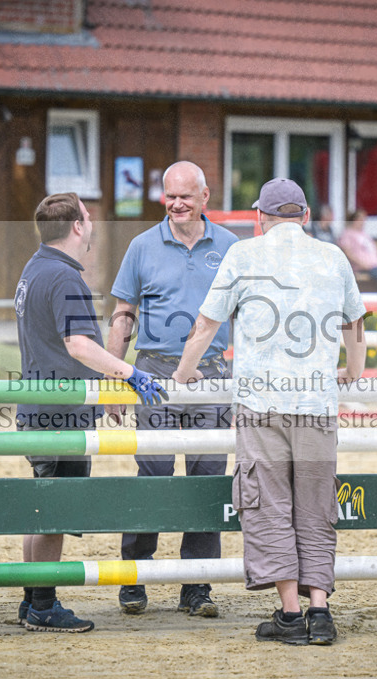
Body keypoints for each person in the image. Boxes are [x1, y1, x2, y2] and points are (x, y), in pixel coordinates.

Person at [173, 178, 367, 646]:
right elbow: (355, 324)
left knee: (269, 505)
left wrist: (183, 372)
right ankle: (320, 612)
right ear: (304, 216)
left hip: (262, 406)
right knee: (317, 507)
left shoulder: (243, 255)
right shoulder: (333, 257)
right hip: (317, 405)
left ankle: (289, 613)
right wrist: (352, 374)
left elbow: (206, 323)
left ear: (261, 217)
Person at [14, 192, 168, 633]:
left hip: (39, 405)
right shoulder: (65, 278)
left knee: (43, 507)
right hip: (60, 413)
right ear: (77, 227)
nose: (92, 223)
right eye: (88, 216)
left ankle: (32, 600)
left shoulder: (34, 267)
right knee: (56, 512)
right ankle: (43, 605)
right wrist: (129, 373)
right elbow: (79, 344)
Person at [107, 160, 239, 617]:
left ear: (206, 196)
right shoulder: (142, 246)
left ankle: (197, 588)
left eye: (186, 195)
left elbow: (250, 319)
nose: (177, 203)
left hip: (212, 377)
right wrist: (112, 380)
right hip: (152, 376)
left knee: (206, 482)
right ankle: (134, 578)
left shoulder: (231, 247)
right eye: (170, 196)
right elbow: (123, 315)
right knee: (154, 475)